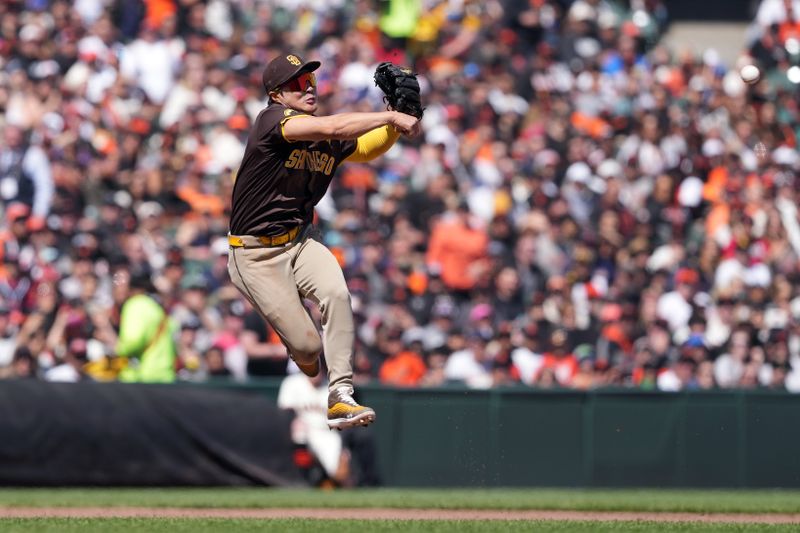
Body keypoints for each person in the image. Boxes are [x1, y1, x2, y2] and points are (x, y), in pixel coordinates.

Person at [227, 53, 420, 430]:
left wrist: (395, 126)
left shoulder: (321, 133)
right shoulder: (272, 121)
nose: (309, 86)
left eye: (311, 80)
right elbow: (335, 129)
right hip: (254, 255)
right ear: (276, 94)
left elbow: (365, 147)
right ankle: (308, 357)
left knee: (337, 293)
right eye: (298, 82)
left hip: (299, 240)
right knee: (308, 350)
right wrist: (389, 116)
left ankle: (341, 395)